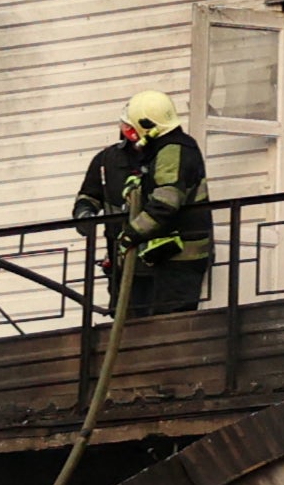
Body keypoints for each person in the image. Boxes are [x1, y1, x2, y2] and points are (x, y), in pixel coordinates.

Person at [78, 92, 209, 318]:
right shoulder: (108, 160)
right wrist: (84, 215)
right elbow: (89, 196)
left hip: (173, 263)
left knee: (168, 330)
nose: (124, 129)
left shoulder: (174, 151)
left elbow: (165, 204)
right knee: (129, 331)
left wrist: (130, 235)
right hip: (130, 267)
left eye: (129, 125)